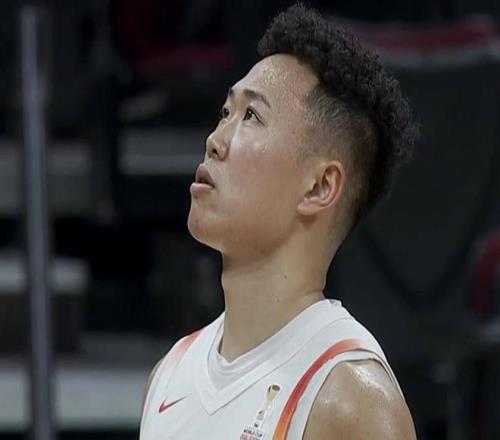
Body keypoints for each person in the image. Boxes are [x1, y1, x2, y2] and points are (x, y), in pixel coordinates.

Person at [140, 3, 418, 439]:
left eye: (251, 116)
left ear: (319, 187)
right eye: (225, 113)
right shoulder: (169, 374)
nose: (215, 141)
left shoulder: (352, 400)